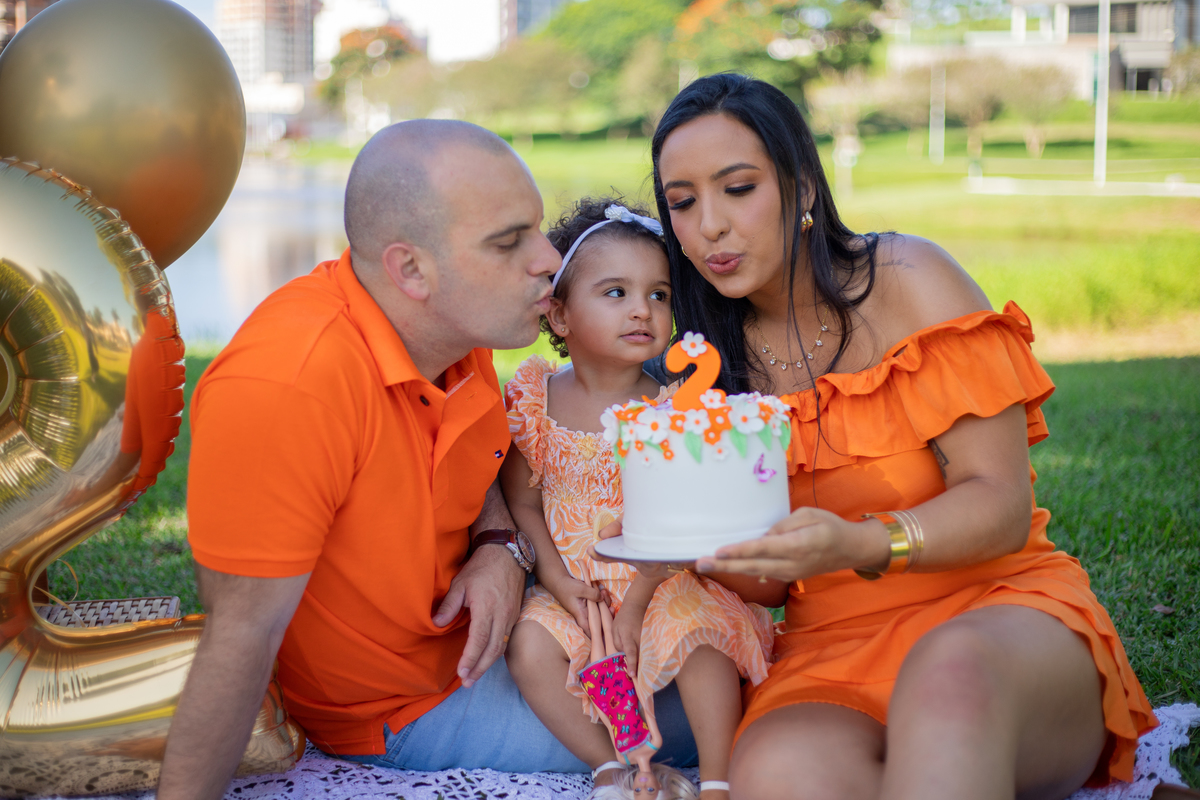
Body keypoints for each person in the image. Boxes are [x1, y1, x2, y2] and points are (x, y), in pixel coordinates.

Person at [601, 73, 1157, 799]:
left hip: (996, 616)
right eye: (682, 202)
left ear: (802, 188)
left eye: (738, 188)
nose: (709, 226)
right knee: (774, 773)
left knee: (948, 683)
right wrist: (685, 547)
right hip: (827, 651)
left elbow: (1000, 504)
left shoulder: (907, 280)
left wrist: (863, 542)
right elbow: (771, 579)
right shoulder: (698, 365)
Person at [157, 121, 699, 800]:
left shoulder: (457, 331)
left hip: (510, 635)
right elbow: (240, 636)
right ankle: (620, 765)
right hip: (413, 703)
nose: (549, 259)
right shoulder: (289, 385)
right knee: (737, 713)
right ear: (410, 268)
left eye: (536, 228)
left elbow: (488, 465)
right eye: (509, 243)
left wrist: (500, 544)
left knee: (726, 663)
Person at [501, 198, 778, 800]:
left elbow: (682, 523)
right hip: (574, 585)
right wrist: (556, 580)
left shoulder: (671, 409)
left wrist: (639, 602)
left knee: (700, 636)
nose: (643, 311)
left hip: (661, 576)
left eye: (658, 295)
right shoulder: (535, 400)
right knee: (530, 646)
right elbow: (522, 502)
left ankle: (719, 776)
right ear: (559, 315)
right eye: (615, 293)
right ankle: (612, 766)